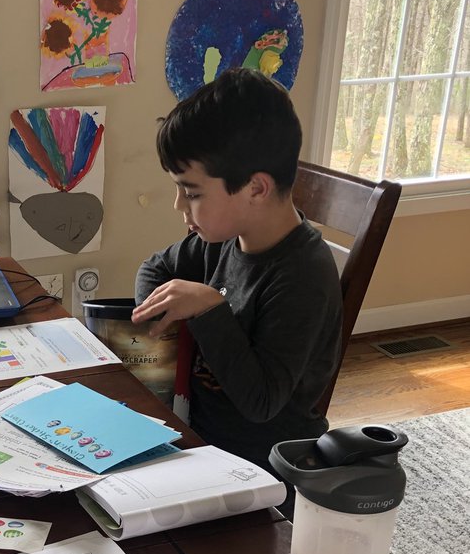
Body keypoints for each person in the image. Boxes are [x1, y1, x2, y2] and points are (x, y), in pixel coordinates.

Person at [132, 67, 342, 480]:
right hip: (196, 440)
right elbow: (155, 269)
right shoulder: (221, 239)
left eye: (191, 192)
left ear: (256, 189)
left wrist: (210, 309)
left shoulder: (304, 276)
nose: (179, 205)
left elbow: (261, 403)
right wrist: (168, 316)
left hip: (263, 472)